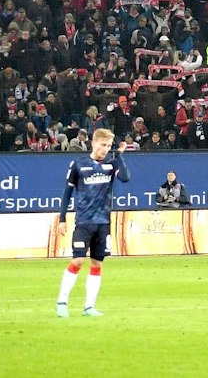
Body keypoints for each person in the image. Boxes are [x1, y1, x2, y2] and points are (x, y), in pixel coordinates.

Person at [55, 128, 129, 317]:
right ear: (93, 143)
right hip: (84, 222)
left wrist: (119, 154)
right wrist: (62, 218)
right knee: (78, 260)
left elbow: (126, 178)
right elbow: (67, 192)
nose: (105, 149)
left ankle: (89, 307)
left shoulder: (111, 166)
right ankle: (62, 302)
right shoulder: (79, 164)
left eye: (108, 146)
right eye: (103, 145)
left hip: (103, 223)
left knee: (97, 264)